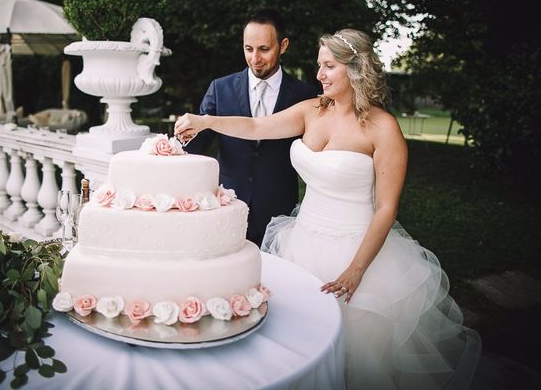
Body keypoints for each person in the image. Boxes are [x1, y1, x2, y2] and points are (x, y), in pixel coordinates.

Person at [175, 29, 480, 389]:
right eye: (320, 65)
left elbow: (386, 208)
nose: (319, 74)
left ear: (356, 69)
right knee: (295, 343)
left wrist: (355, 270)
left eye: (329, 66)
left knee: (356, 359)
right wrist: (206, 121)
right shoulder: (312, 110)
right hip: (301, 243)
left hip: (359, 252)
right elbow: (256, 125)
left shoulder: (384, 129)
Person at [183, 8, 317, 246]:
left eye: (264, 49)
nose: (255, 58)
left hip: (279, 209)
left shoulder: (304, 95)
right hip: (227, 204)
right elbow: (196, 144)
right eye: (248, 49)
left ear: (283, 45)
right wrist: (181, 136)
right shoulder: (219, 89)